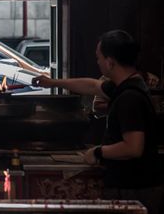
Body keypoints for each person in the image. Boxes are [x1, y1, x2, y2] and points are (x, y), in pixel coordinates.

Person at [32, 30, 163, 214]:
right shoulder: (128, 85)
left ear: (110, 62)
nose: (98, 62)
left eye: (99, 58)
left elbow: (133, 147)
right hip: (134, 184)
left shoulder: (130, 97)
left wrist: (98, 152)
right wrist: (53, 82)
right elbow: (92, 86)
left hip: (135, 187)